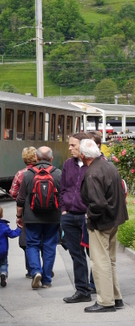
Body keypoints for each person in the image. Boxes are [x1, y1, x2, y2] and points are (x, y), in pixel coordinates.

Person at [79, 138, 128, 313]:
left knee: (100, 261)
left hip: (101, 222)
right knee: (110, 260)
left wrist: (89, 216)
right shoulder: (109, 166)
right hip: (115, 218)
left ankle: (106, 301)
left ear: (83, 155)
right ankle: (116, 297)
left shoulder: (92, 172)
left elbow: (97, 204)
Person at [16, 145, 61, 289]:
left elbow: (21, 198)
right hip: (53, 217)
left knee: (32, 245)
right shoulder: (58, 174)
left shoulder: (28, 174)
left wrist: (19, 216)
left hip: (32, 216)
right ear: (51, 159)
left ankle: (35, 271)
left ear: (36, 158)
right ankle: (47, 280)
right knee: (49, 246)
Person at [60, 133, 95, 303]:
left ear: (83, 146)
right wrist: (64, 209)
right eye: (70, 145)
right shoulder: (68, 164)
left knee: (93, 253)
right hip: (69, 216)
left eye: (73, 145)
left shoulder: (93, 165)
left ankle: (96, 287)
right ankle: (82, 290)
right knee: (76, 255)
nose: (70, 148)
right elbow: (63, 188)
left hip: (86, 216)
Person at [9, 147, 37, 278]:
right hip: (45, 210)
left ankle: (31, 269)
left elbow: (13, 193)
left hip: (27, 211)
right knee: (42, 239)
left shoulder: (21, 174)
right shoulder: (44, 171)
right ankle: (43, 268)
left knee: (28, 240)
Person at [0, 206, 21, 286]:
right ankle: (3, 273)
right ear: (2, 215)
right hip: (2, 251)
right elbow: (12, 234)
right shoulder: (4, 226)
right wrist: (19, 229)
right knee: (3, 264)